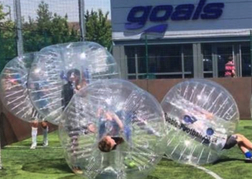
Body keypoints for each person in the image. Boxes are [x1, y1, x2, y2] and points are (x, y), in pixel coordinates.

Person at [62, 68, 87, 174]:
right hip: (71, 116)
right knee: (74, 139)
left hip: (79, 116)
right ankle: (74, 164)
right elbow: (64, 102)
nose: (73, 77)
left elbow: (85, 97)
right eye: (71, 75)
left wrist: (80, 90)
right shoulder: (66, 87)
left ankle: (75, 161)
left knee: (76, 140)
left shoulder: (82, 86)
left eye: (75, 75)